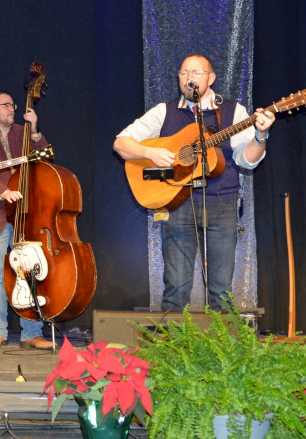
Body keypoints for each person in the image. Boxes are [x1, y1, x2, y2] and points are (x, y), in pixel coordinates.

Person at [113, 54, 275, 311]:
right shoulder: (164, 111)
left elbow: (248, 160)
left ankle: (219, 350)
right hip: (177, 205)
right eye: (184, 73)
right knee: (175, 288)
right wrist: (150, 153)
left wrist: (261, 134)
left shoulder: (234, 111)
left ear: (210, 78)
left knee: (222, 291)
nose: (189, 78)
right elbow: (121, 143)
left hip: (222, 204)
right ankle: (173, 349)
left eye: (196, 73)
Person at [0, 91, 55, 349]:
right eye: (6, 105)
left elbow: (45, 158)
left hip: (24, 214)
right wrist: (3, 191)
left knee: (29, 272)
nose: (12, 109)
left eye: (13, 105)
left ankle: (32, 332)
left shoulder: (23, 132)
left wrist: (36, 131)